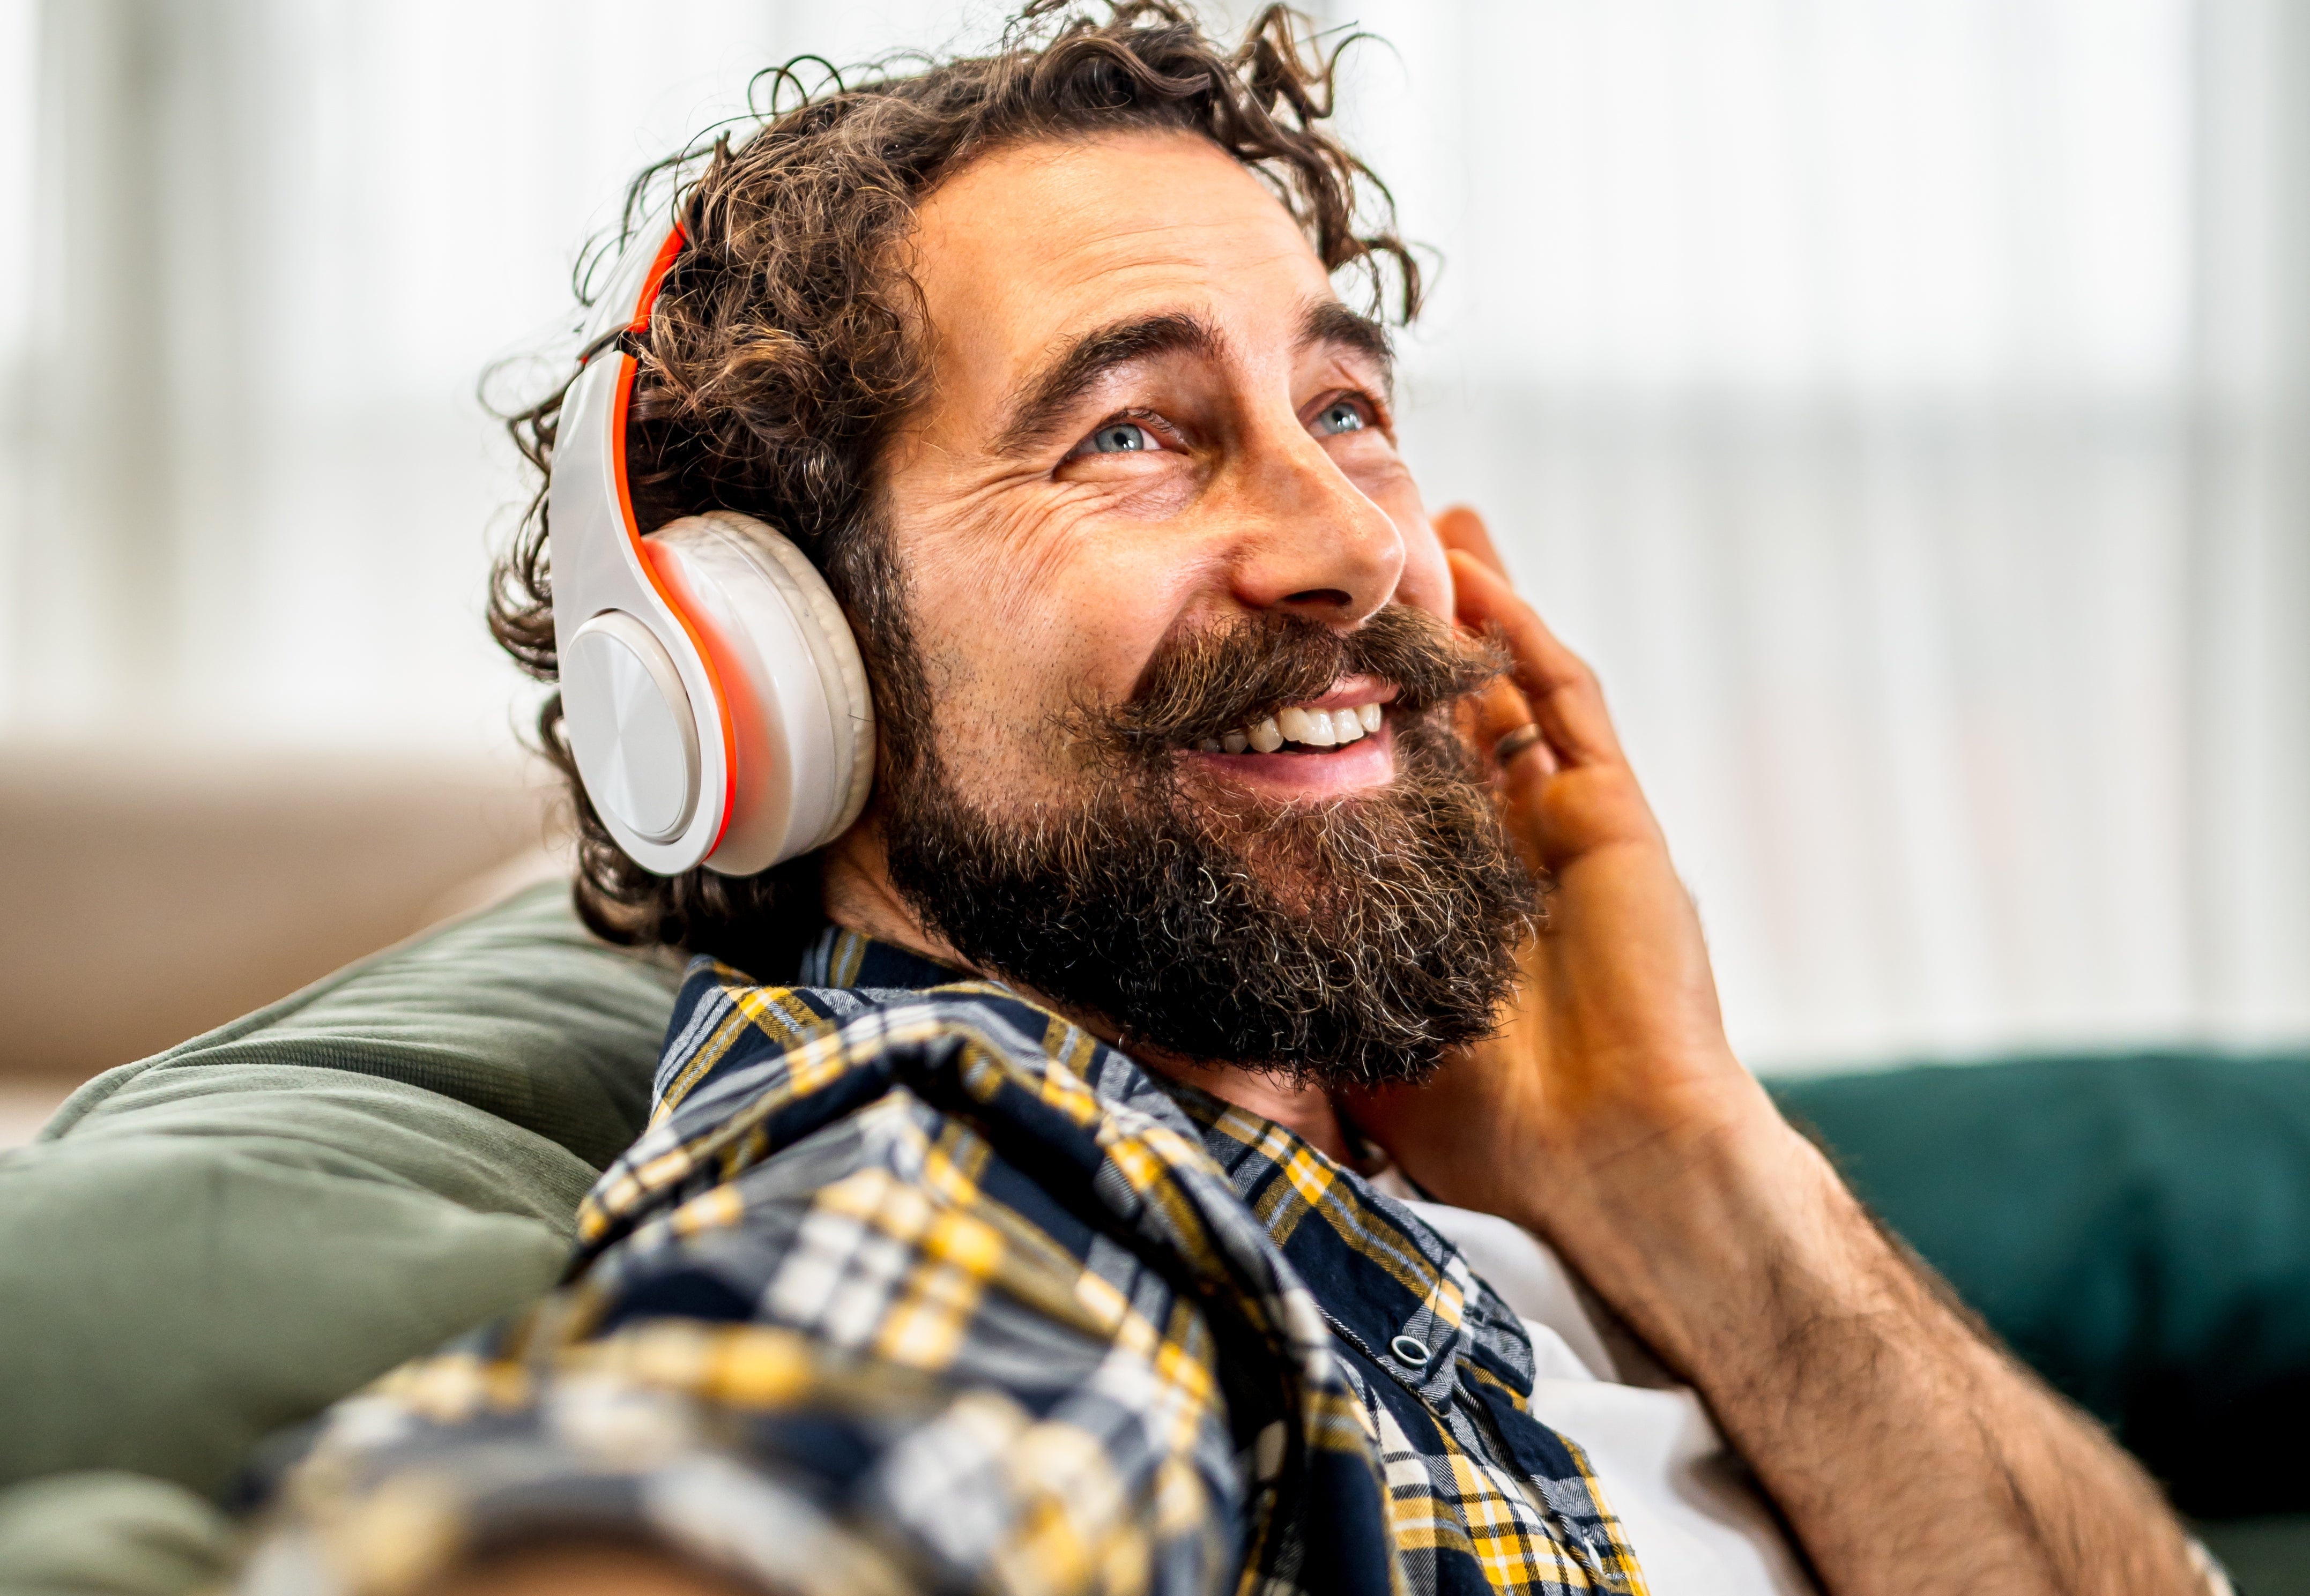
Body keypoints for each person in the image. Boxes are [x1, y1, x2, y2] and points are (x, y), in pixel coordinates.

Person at [240, 5, 2220, 1592]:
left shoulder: (1492, 1158)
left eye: (1343, 408)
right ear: (777, 673)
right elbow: (808, 1437)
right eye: (1134, 435)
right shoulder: (977, 1156)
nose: (1351, 545)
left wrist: (1691, 1161)